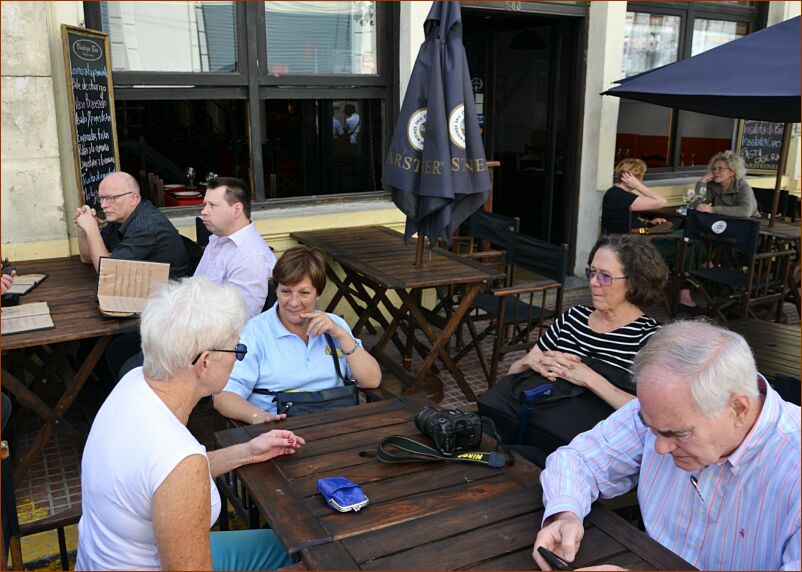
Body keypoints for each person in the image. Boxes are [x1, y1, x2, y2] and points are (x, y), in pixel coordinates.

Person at [532, 320, 800, 571]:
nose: (659, 447)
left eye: (679, 434)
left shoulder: (793, 462)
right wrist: (566, 514)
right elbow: (578, 459)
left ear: (738, 409)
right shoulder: (663, 412)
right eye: (651, 428)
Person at [76, 277, 305, 570]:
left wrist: (247, 452)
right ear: (205, 362)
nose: (237, 359)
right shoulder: (180, 459)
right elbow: (176, 472)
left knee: (286, 544)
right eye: (237, 350)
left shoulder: (132, 384)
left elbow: (157, 477)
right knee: (315, 560)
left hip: (99, 560)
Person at [506, 235, 667, 456]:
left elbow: (653, 417)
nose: (592, 282)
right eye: (592, 272)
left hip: (592, 455)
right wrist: (527, 362)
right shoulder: (573, 318)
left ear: (634, 283)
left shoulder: (649, 339)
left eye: (605, 277)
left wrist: (589, 378)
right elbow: (511, 375)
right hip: (533, 432)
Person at [213, 245, 381, 425]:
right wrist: (259, 417)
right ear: (276, 289)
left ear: (318, 294)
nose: (293, 302)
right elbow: (224, 395)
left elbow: (371, 380)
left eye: (304, 293)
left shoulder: (335, 325)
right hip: (279, 428)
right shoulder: (254, 332)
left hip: (337, 424)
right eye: (285, 291)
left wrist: (342, 336)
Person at [74, 171, 190, 279]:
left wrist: (92, 229)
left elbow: (107, 272)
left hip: (168, 294)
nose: (103, 205)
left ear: (133, 198)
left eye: (110, 198)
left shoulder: (146, 226)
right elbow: (87, 257)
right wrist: (83, 229)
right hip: (141, 287)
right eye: (101, 198)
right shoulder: (120, 217)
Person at [195, 177, 277, 319]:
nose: (204, 211)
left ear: (237, 210)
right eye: (205, 204)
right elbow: (195, 288)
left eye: (212, 205)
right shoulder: (217, 238)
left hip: (218, 334)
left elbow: (239, 321)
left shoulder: (251, 256)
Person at [601, 158, 668, 234]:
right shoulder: (622, 196)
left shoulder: (614, 191)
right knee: (670, 230)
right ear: (635, 177)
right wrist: (638, 185)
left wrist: (649, 222)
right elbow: (662, 202)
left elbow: (626, 218)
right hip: (632, 236)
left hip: (630, 233)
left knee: (665, 226)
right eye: (642, 176)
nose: (642, 179)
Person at [695, 150, 758, 218]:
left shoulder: (742, 186)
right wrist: (702, 182)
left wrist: (713, 209)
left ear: (733, 171)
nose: (716, 171)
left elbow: (746, 211)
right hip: (722, 221)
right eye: (714, 168)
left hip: (747, 222)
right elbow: (697, 206)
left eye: (720, 168)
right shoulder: (712, 185)